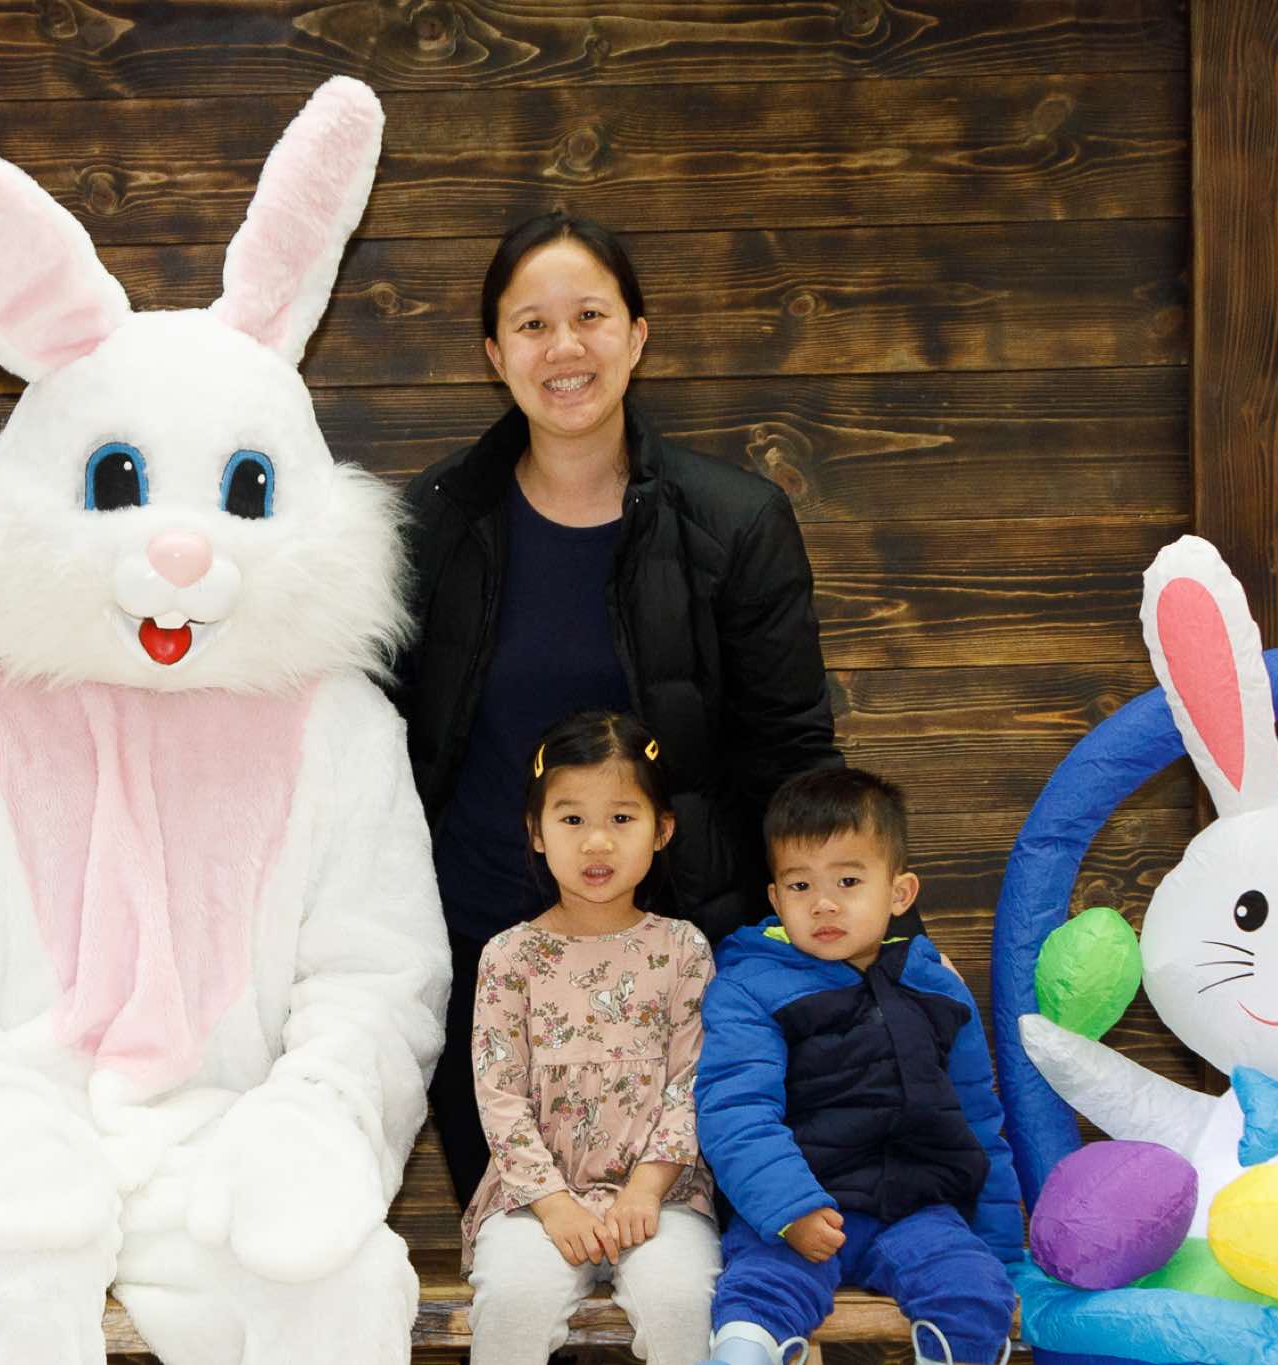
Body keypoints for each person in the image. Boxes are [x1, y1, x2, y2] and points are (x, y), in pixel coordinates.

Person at [394, 210, 841, 1203]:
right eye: (531, 325)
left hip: (679, 972)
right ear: (494, 354)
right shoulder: (432, 524)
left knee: (674, 1259)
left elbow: (791, 755)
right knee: (520, 1254)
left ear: (636, 336)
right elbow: (378, 745)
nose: (564, 348)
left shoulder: (735, 523)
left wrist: (835, 936)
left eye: (589, 316)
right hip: (488, 975)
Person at [693, 768, 1021, 1365]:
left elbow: (978, 1118)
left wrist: (1000, 1248)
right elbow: (735, 1111)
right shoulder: (750, 986)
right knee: (758, 1298)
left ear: (899, 893)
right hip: (799, 1212)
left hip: (918, 1215)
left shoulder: (937, 987)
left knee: (975, 1295)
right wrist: (789, 1209)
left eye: (847, 880)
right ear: (775, 899)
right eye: (800, 885)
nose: (823, 903)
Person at [463, 710, 720, 1365]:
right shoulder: (509, 956)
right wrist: (553, 1205)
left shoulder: (683, 949)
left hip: (663, 1196)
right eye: (572, 819)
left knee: (681, 1301)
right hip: (533, 1201)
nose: (597, 842)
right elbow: (499, 1095)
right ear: (537, 832)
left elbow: (692, 1082)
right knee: (512, 1299)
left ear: (662, 829)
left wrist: (646, 1189)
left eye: (622, 818)